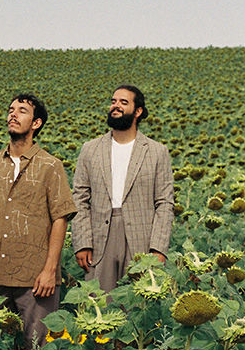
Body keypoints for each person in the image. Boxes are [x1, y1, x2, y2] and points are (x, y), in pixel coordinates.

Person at [0, 93, 77, 350]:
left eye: (22, 111)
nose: (13, 115)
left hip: (35, 278)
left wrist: (51, 269)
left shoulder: (51, 166)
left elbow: (60, 218)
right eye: (10, 110)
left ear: (36, 123)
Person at [72, 84, 174, 292]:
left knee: (138, 305)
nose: (115, 106)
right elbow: (79, 199)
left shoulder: (157, 152)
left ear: (138, 112)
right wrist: (82, 242)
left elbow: (164, 202)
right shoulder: (90, 149)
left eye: (123, 102)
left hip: (141, 241)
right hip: (100, 239)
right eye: (113, 101)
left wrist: (158, 248)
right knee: (98, 303)